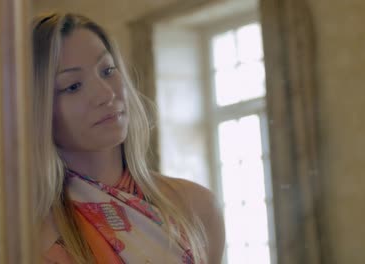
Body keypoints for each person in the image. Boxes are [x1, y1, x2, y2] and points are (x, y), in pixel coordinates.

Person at [31, 12, 225, 264]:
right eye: (73, 86)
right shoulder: (27, 232)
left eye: (108, 70)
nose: (106, 94)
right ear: (37, 108)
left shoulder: (197, 207)